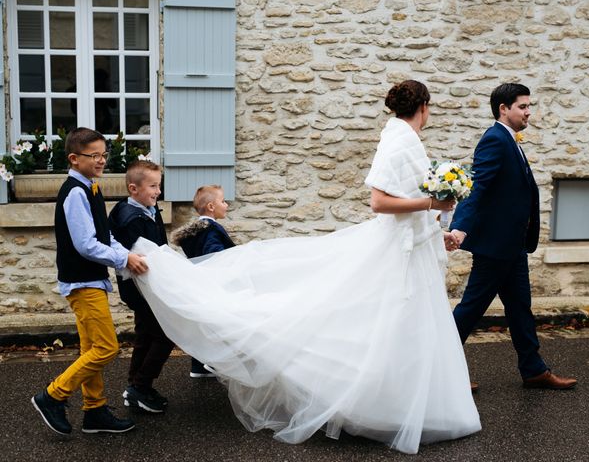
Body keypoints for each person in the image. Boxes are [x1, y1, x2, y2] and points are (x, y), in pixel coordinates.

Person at [131, 80, 481, 454]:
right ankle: (372, 404)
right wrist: (432, 206)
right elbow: (380, 202)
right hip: (396, 252)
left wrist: (434, 230)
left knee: (407, 326)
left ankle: (411, 404)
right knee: (376, 322)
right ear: (424, 107)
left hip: (413, 248)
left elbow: (408, 203)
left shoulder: (408, 141)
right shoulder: (397, 142)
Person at [449, 83, 577, 390]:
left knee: (520, 307)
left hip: (513, 245)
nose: (528, 111)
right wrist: (460, 227)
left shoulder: (510, 141)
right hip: (495, 248)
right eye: (522, 106)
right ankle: (437, 370)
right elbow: (477, 186)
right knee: (470, 310)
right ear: (503, 109)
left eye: (529, 106)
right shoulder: (494, 140)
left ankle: (533, 370)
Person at [31, 127, 148, 435]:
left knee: (90, 348)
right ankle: (52, 395)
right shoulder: (75, 193)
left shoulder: (92, 189)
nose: (101, 160)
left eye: (103, 154)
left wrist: (129, 255)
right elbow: (85, 244)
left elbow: (105, 236)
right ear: (74, 158)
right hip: (82, 282)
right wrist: (123, 260)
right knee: (107, 348)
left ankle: (94, 410)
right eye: (93, 155)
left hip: (91, 280)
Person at [108, 160, 174, 413]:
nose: (158, 191)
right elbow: (140, 256)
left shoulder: (149, 208)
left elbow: (160, 245)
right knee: (165, 334)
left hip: (148, 283)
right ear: (133, 189)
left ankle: (135, 386)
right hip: (138, 286)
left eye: (159, 185)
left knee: (145, 333)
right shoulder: (129, 217)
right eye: (153, 186)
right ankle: (140, 386)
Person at [170, 184, 235, 378]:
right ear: (211, 207)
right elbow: (213, 253)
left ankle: (198, 366)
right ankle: (214, 362)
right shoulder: (211, 229)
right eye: (223, 201)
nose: (227, 205)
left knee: (204, 323)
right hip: (214, 283)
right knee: (219, 323)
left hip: (199, 283)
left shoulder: (196, 231)